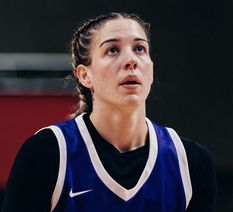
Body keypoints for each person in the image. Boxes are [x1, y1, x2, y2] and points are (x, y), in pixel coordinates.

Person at [1, 12, 217, 212]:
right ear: (85, 76)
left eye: (140, 48)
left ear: (151, 67)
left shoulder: (190, 162)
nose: (131, 60)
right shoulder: (47, 153)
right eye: (112, 50)